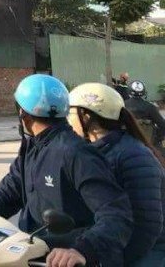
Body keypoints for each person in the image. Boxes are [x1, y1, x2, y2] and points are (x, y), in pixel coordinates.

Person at [0, 74, 133, 267]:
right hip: (34, 255)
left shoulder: (75, 153)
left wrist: (82, 250)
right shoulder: (31, 148)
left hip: (71, 260)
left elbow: (117, 214)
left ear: (23, 113)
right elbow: (8, 193)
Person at [68, 82, 165, 267]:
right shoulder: (95, 151)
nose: (67, 120)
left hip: (149, 250)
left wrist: (119, 260)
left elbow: (148, 225)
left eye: (70, 113)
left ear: (86, 116)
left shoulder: (134, 156)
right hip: (118, 245)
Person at [126, 80, 165, 149]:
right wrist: (158, 138)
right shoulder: (150, 107)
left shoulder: (122, 105)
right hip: (147, 143)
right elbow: (162, 124)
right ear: (143, 92)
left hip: (127, 143)